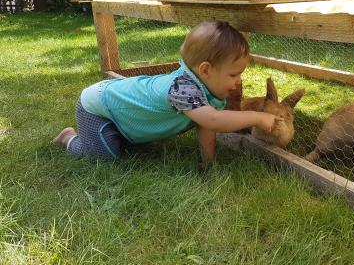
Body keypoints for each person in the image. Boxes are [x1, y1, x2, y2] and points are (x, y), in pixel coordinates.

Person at [53, 21, 280, 165]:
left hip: (120, 114)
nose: (238, 81)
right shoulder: (182, 88)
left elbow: (207, 126)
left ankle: (117, 136)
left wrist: (208, 163)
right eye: (233, 75)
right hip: (97, 107)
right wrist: (258, 117)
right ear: (206, 70)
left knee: (126, 148)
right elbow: (214, 120)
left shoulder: (207, 90)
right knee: (104, 158)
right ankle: (69, 138)